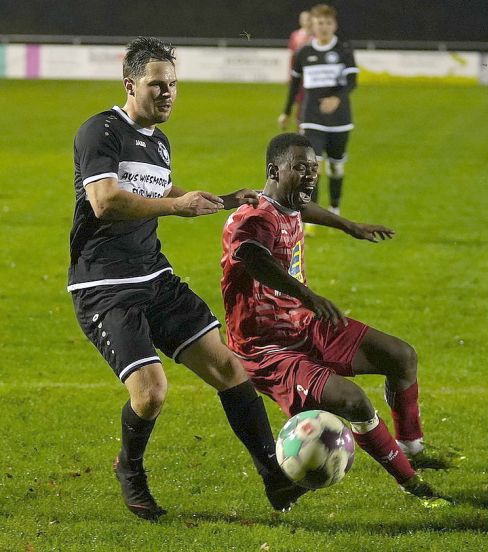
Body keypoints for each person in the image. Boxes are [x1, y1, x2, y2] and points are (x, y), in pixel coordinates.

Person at [70, 37, 308, 521]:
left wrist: (216, 200)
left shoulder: (158, 141)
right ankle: (130, 470)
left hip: (154, 275)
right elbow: (106, 202)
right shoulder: (101, 132)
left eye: (174, 84)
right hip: (103, 286)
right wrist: (177, 207)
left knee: (229, 369)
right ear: (129, 84)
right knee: (151, 392)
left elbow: (156, 188)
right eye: (157, 85)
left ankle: (273, 476)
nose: (168, 93)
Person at [220, 133, 463, 508]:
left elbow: (302, 208)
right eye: (301, 168)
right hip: (268, 349)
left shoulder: (287, 201)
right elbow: (253, 256)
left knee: (401, 356)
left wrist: (349, 225)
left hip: (305, 323)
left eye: (314, 169)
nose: (310, 176)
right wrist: (308, 295)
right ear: (274, 170)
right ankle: (412, 485)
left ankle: (411, 447)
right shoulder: (253, 218)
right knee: (353, 401)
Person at [278, 3, 358, 226]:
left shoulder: (343, 50)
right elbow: (294, 86)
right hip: (311, 117)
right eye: (319, 23)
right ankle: (312, 217)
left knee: (335, 166)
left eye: (327, 23)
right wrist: (286, 112)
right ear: (313, 25)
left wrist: (337, 98)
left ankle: (335, 206)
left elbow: (352, 81)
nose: (323, 27)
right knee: (312, 166)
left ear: (334, 25)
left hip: (340, 121)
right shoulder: (304, 52)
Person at [286, 10, 313, 128]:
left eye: (307, 19)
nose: (305, 21)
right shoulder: (295, 35)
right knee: (299, 101)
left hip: (311, 75)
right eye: (303, 19)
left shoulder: (316, 36)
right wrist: (290, 74)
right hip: (299, 74)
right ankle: (300, 125)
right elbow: (292, 56)